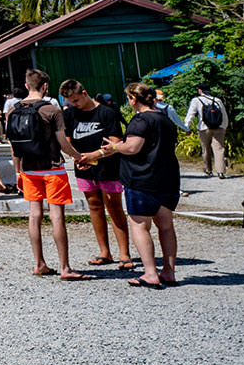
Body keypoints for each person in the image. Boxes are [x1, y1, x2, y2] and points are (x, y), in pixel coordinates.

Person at [77, 83, 180, 288]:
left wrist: (114, 146)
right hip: (167, 178)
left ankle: (150, 272)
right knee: (166, 226)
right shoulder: (164, 119)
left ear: (134, 99)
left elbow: (133, 148)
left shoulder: (140, 121)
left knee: (140, 225)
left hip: (142, 179)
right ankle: (168, 271)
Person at [5, 69, 89, 281]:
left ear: (26, 86)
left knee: (34, 215)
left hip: (28, 168)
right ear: (45, 87)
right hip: (52, 168)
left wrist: (17, 171)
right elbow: (63, 143)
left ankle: (39, 263)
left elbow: (14, 146)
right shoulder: (52, 111)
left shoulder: (12, 111)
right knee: (57, 216)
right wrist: (78, 156)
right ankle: (65, 268)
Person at [59, 79, 132, 269]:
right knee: (94, 205)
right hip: (84, 166)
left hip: (109, 166)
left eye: (76, 100)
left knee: (114, 206)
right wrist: (77, 157)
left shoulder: (106, 113)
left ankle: (124, 253)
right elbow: (67, 139)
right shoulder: (70, 114)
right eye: (69, 101)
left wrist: (95, 155)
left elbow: (116, 141)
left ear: (84, 93)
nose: (73, 104)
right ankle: (104, 251)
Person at [183, 85, 230, 178]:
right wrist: (224, 127)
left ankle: (208, 169)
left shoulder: (196, 100)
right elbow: (224, 115)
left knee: (206, 149)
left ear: (200, 90)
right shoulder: (217, 100)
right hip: (218, 127)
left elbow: (190, 114)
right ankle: (221, 172)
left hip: (204, 128)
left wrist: (186, 127)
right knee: (219, 149)